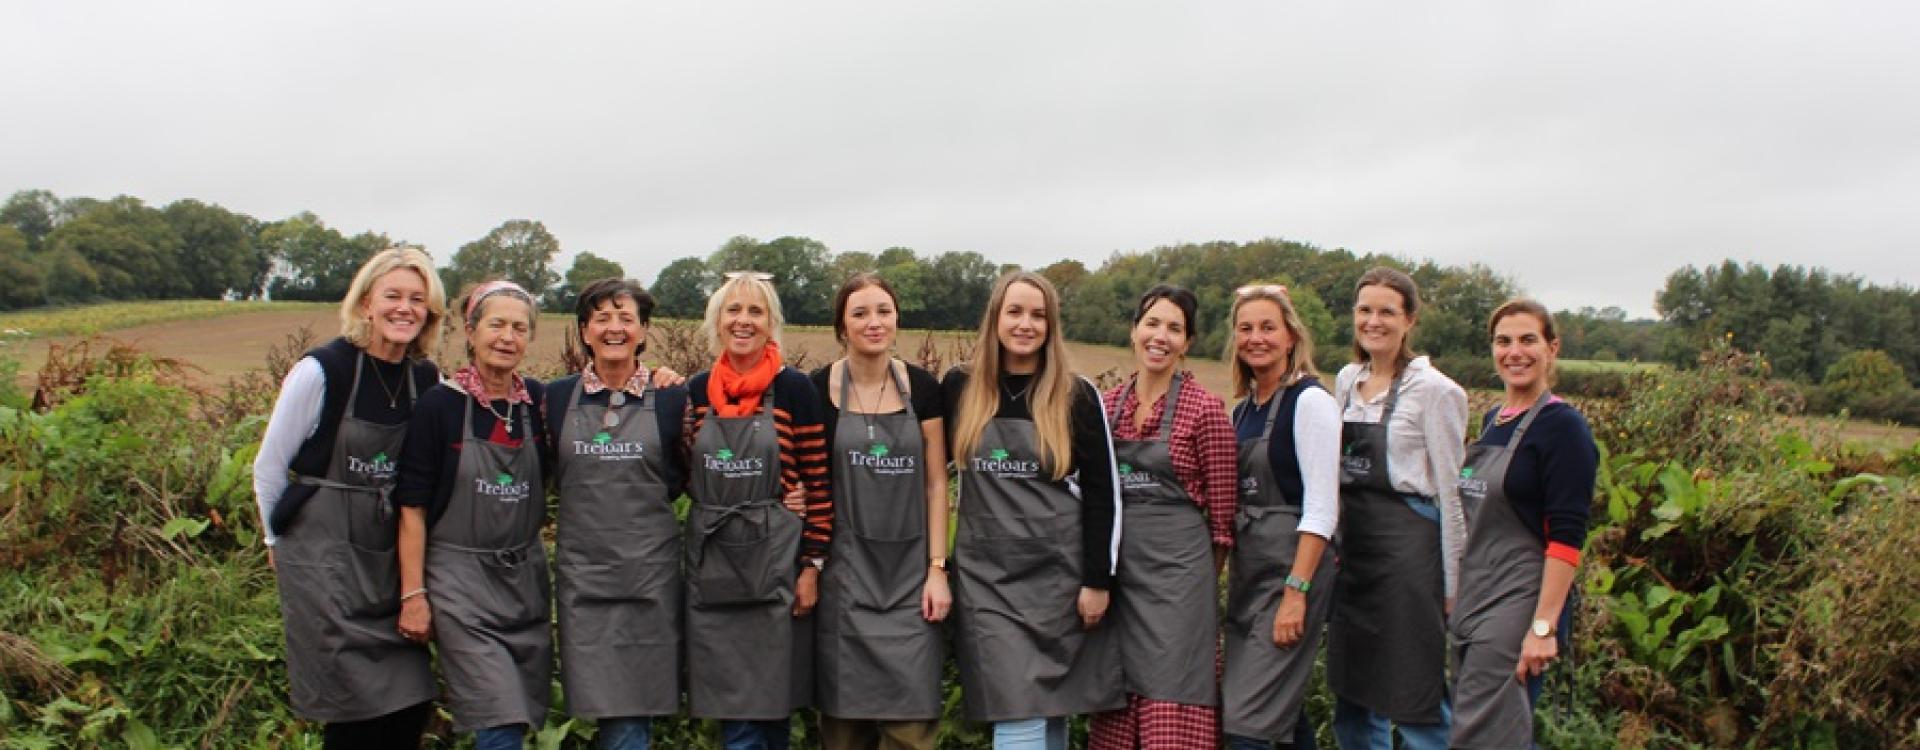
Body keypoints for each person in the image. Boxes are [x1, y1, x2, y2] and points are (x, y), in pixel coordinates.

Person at [254, 247, 443, 749]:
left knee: (410, 700)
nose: (405, 309)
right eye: (393, 296)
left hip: (389, 556)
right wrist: (276, 541)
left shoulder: (426, 380)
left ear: (429, 313)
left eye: (417, 300)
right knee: (353, 710)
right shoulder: (323, 371)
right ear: (365, 305)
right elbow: (270, 465)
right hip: (324, 555)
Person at [942, 271, 1123, 750]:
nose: (1026, 324)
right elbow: (925, 475)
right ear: (995, 319)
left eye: (1038, 315)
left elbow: (1105, 494)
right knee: (1016, 707)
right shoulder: (960, 386)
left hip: (1057, 579)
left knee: (1052, 712)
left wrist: (1097, 580)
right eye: (1015, 312)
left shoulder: (1076, 394)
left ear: (1052, 324)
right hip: (987, 583)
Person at [394, 280, 553, 750]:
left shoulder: (540, 405)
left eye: (519, 328)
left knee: (519, 711)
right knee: (496, 715)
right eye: (496, 324)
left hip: (524, 581)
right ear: (470, 330)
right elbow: (412, 506)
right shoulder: (440, 407)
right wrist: (414, 594)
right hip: (460, 583)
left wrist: (661, 378)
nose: (507, 337)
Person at [682, 271, 832, 750]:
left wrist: (811, 564)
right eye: (733, 310)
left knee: (772, 706)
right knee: (736, 711)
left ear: (772, 324)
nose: (743, 320)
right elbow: (684, 473)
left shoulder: (796, 390)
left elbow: (819, 484)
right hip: (715, 566)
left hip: (777, 566)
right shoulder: (695, 392)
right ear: (717, 321)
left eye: (755, 311)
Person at [1088, 285, 1237, 750]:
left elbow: (1223, 520)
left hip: (1180, 590)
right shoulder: (1106, 407)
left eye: (1174, 328)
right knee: (1117, 694)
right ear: (1133, 331)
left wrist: (1195, 589)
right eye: (1152, 323)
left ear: (1187, 343)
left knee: (1173, 695)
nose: (1161, 336)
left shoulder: (1205, 412)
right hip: (1120, 582)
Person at [545, 279, 691, 750]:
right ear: (584, 330)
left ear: (643, 330)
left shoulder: (673, 398)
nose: (614, 328)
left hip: (648, 577)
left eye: (626, 318)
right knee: (603, 703)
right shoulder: (552, 399)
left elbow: (693, 474)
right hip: (585, 579)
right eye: (602, 318)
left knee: (634, 709)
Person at [1327, 267, 1468, 750]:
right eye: (1365, 310)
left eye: (1387, 311)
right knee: (1353, 694)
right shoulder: (1347, 381)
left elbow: (1452, 494)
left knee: (1415, 696)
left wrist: (1454, 584)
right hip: (1356, 555)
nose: (1374, 321)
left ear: (1409, 320)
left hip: (1410, 556)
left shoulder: (1437, 392)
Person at [810, 273, 951, 750]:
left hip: (911, 581)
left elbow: (936, 484)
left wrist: (937, 569)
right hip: (843, 581)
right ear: (841, 326)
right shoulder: (815, 390)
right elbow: (803, 475)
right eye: (860, 313)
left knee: (911, 730)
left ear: (896, 317)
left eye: (884, 311)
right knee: (843, 732)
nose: (874, 323)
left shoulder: (926, 389)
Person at [1448, 300, 1595, 749]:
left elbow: (1567, 540)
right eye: (1503, 341)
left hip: (1519, 601)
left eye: (1528, 340)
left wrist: (1543, 628)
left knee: (1485, 736)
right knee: (1487, 729)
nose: (1515, 352)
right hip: (1476, 596)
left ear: (1551, 348)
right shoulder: (1493, 421)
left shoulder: (1564, 428)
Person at [1220, 284, 1341, 750]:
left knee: (1244, 722)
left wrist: (1297, 592)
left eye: (1268, 327)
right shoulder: (1243, 412)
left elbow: (1323, 508)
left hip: (1293, 573)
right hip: (1252, 574)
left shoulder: (1309, 403)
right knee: (1278, 715)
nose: (1256, 338)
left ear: (1291, 336)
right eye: (1246, 328)